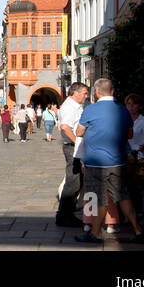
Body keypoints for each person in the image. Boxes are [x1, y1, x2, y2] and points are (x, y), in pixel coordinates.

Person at [74, 78, 144, 244]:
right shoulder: (122, 110)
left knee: (98, 198)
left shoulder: (90, 110)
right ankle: (138, 230)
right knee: (123, 196)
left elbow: (78, 132)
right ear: (112, 91)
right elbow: (130, 135)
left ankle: (95, 233)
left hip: (95, 162)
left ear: (97, 93)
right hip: (118, 162)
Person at [56, 82, 89, 227]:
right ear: (75, 92)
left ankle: (70, 211)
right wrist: (77, 142)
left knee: (78, 179)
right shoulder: (69, 106)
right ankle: (64, 216)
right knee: (73, 181)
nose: (86, 96)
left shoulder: (75, 106)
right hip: (72, 147)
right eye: (85, 93)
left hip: (74, 147)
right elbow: (65, 126)